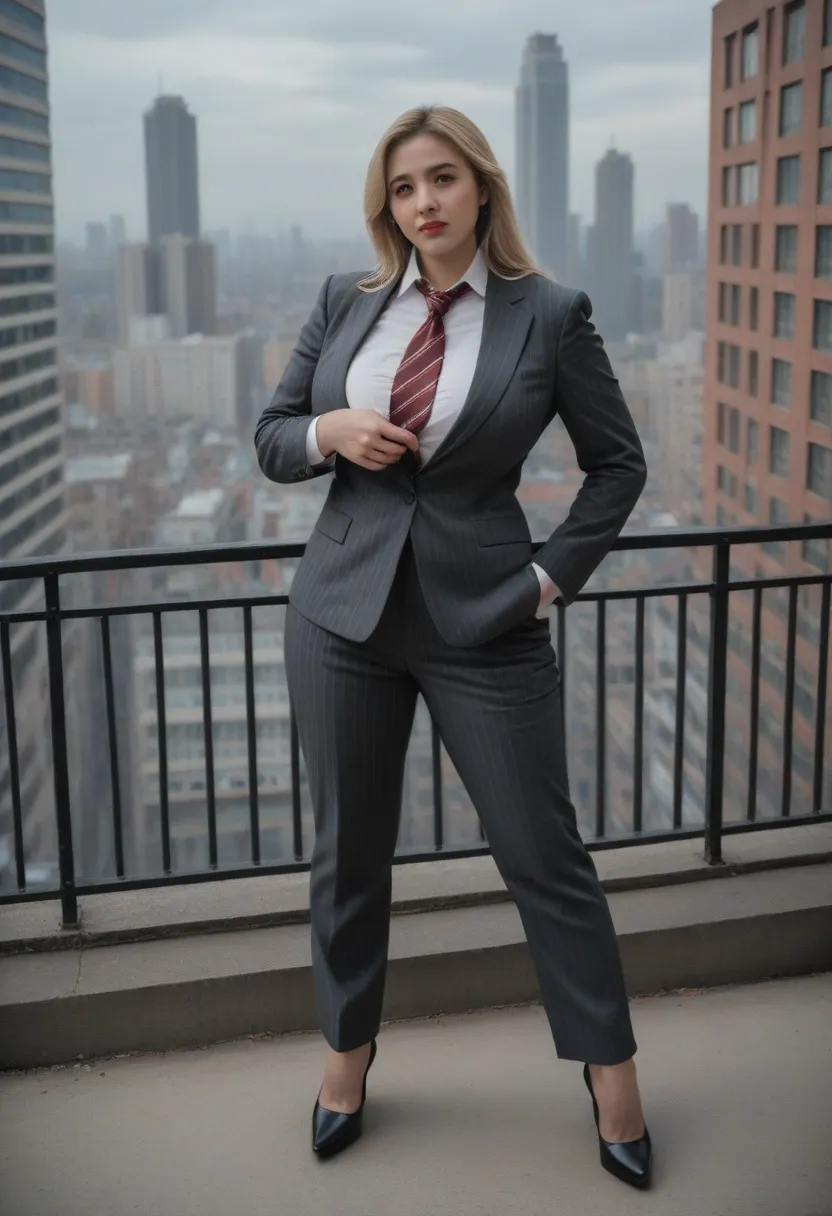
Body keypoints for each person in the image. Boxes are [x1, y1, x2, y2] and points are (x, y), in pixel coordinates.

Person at [254, 105, 651, 1189]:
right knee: (348, 855)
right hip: (341, 618)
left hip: (486, 623)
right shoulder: (348, 300)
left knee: (544, 856)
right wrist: (328, 431)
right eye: (401, 188)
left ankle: (609, 1071)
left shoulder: (549, 314)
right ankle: (347, 1056)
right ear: (386, 207)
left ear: (479, 187)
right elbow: (272, 435)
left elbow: (618, 466)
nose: (421, 202)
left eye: (440, 179)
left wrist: (545, 579)